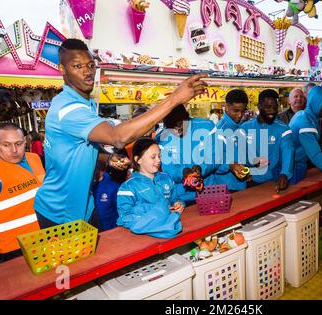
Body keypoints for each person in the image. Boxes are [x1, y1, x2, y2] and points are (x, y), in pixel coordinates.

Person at [33, 38, 207, 228]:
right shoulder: (68, 108)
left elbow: (75, 150)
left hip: (85, 206)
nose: (87, 72)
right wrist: (174, 99)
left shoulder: (83, 102)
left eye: (90, 65)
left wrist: (107, 159)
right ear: (62, 69)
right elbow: (118, 137)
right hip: (60, 211)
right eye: (77, 66)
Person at [0, 123, 44, 263]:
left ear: (25, 141)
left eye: (18, 144)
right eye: (6, 145)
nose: (14, 150)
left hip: (45, 236)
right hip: (13, 247)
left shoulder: (35, 159)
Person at [116, 138, 184, 238]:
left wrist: (178, 204)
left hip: (170, 230)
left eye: (159, 156)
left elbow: (175, 198)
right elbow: (125, 217)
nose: (158, 160)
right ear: (138, 159)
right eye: (153, 157)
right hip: (142, 238)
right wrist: (156, 212)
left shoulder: (166, 178)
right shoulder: (128, 187)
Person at [156, 104, 217, 203]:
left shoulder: (207, 127)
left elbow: (215, 157)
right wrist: (182, 173)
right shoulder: (161, 138)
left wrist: (202, 168)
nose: (176, 130)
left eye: (180, 124)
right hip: (180, 199)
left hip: (209, 193)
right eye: (171, 127)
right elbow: (168, 170)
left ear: (187, 117)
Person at [238, 89, 293, 192]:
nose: (272, 111)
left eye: (275, 107)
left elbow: (288, 153)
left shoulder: (283, 129)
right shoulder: (245, 128)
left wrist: (285, 174)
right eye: (267, 107)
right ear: (259, 106)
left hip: (274, 180)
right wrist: (251, 162)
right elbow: (239, 154)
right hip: (251, 181)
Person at [213, 89, 249, 191]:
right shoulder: (219, 130)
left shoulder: (241, 128)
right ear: (226, 107)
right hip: (225, 187)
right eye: (236, 111)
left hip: (241, 184)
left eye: (243, 111)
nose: (240, 115)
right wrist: (230, 165)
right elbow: (213, 161)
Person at [93, 156, 128, 231]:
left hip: (110, 230)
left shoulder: (114, 187)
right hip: (94, 229)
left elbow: (122, 210)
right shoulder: (89, 186)